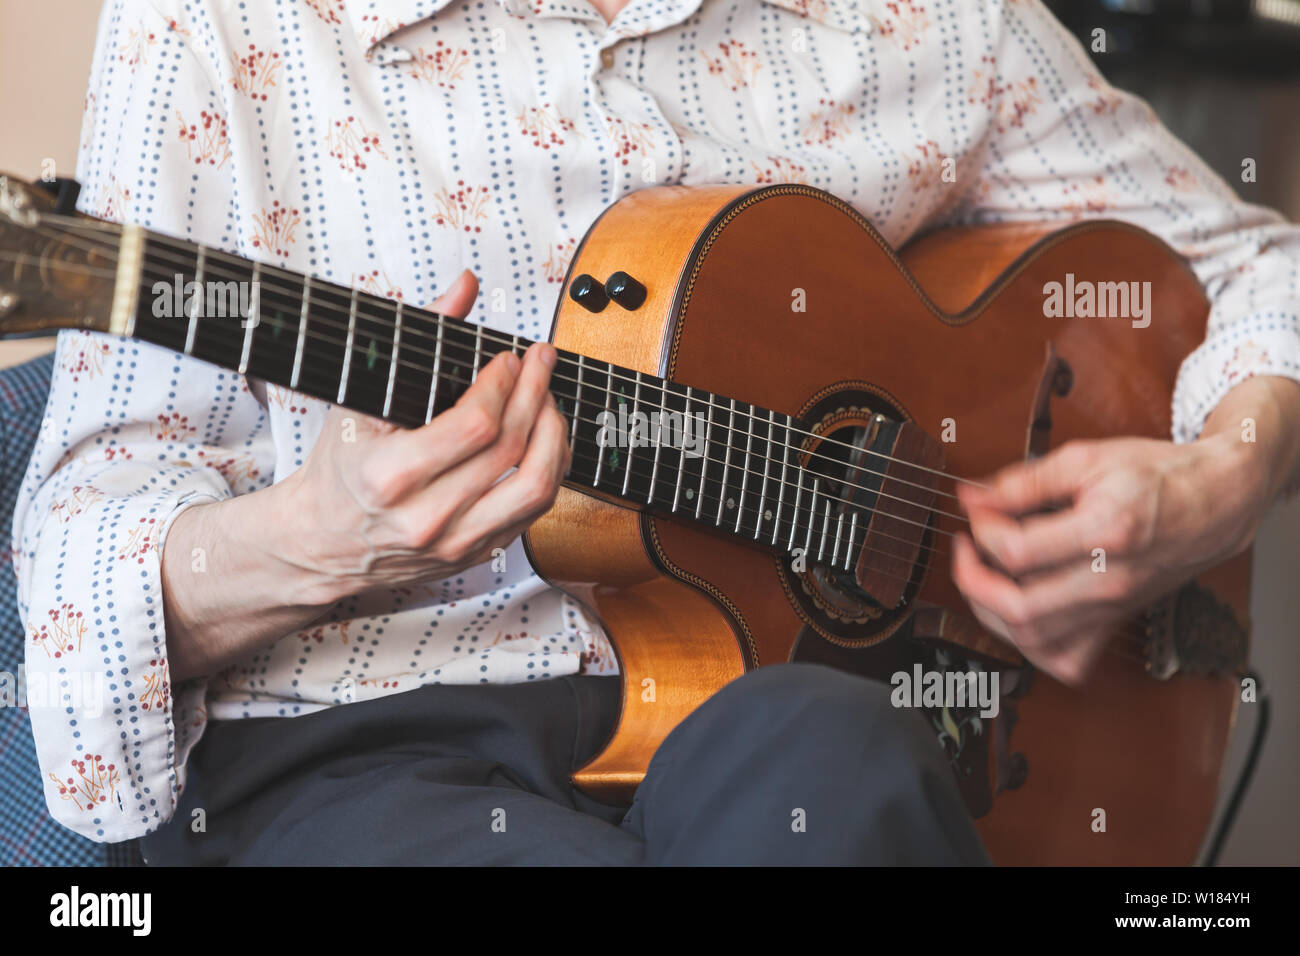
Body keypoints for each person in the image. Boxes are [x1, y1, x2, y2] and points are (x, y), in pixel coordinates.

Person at [14, 0, 1300, 864]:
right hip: (371, 744)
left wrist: (1221, 475)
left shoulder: (921, 21)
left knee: (844, 772)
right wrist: (314, 542)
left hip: (786, 699)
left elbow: (1259, 265)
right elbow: (81, 547)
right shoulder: (224, 27)